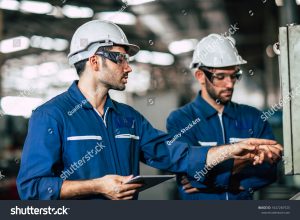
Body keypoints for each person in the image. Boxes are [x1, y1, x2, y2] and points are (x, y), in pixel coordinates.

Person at [17, 21, 279, 200]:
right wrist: (97, 186)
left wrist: (230, 149)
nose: (128, 67)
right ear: (94, 61)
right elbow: (31, 187)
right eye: (120, 58)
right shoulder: (51, 115)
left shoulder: (128, 119)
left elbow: (175, 153)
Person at [166, 34, 283, 200]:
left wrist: (216, 180)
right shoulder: (181, 120)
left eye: (234, 75)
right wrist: (249, 159)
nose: (230, 84)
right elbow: (192, 174)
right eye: (220, 77)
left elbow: (269, 173)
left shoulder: (253, 117)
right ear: (200, 76)